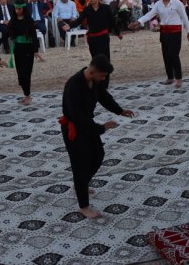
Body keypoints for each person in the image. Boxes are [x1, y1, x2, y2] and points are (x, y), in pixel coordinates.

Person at [58, 55, 136, 219]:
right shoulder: (73, 85)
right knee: (80, 165)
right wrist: (101, 128)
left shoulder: (94, 82)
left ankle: (82, 184)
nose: (103, 79)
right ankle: (83, 205)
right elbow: (77, 117)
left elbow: (104, 97)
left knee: (98, 155)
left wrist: (120, 110)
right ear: (93, 71)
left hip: (88, 126)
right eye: (102, 75)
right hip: (75, 129)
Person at [131, 0, 189, 87]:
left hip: (175, 32)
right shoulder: (158, 4)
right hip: (164, 32)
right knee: (166, 55)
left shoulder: (177, 3)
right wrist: (138, 22)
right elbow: (150, 14)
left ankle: (178, 78)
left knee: (174, 55)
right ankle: (170, 77)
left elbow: (185, 17)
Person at [63, 0, 122, 87]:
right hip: (92, 39)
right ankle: (97, 82)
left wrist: (118, 32)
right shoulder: (87, 9)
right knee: (95, 61)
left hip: (103, 37)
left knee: (105, 60)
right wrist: (70, 26)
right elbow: (79, 20)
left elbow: (112, 21)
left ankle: (105, 84)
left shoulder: (106, 8)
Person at [7, 0, 39, 105]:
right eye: (16, 9)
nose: (17, 11)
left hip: (28, 48)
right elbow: (9, 33)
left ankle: (28, 96)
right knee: (20, 73)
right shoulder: (13, 20)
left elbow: (34, 36)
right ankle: (26, 95)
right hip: (18, 49)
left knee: (26, 73)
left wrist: (36, 50)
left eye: (19, 9)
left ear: (23, 8)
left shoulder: (29, 20)